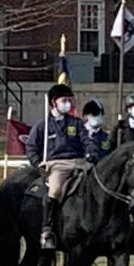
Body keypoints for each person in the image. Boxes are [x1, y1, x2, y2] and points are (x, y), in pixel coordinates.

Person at [24, 82, 89, 251]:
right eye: (64, 100)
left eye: (70, 100)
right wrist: (38, 163)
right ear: (54, 102)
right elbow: (31, 146)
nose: (68, 103)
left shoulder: (76, 123)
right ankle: (47, 230)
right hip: (57, 164)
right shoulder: (42, 125)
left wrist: (91, 154)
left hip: (79, 162)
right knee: (55, 190)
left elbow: (87, 141)